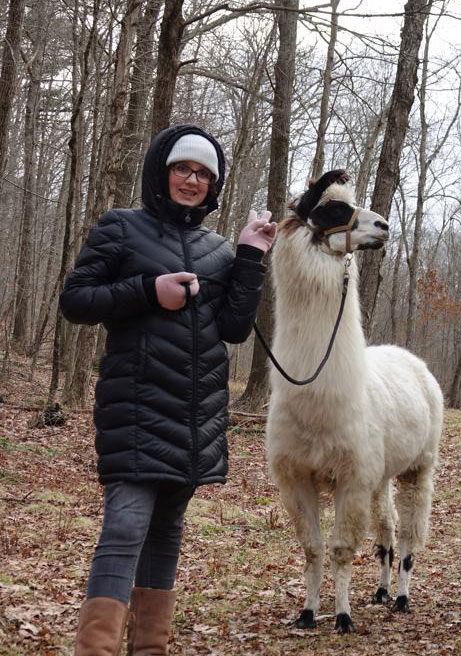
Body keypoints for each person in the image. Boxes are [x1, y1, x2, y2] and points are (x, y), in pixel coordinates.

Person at [60, 124, 276, 655]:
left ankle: (149, 648)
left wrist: (249, 255)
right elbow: (77, 300)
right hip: (134, 410)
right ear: (162, 170)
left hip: (194, 417)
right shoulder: (120, 228)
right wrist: (149, 291)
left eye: (204, 174)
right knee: (126, 528)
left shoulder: (219, 250)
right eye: (183, 168)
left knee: (165, 535)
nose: (192, 180)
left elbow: (233, 328)